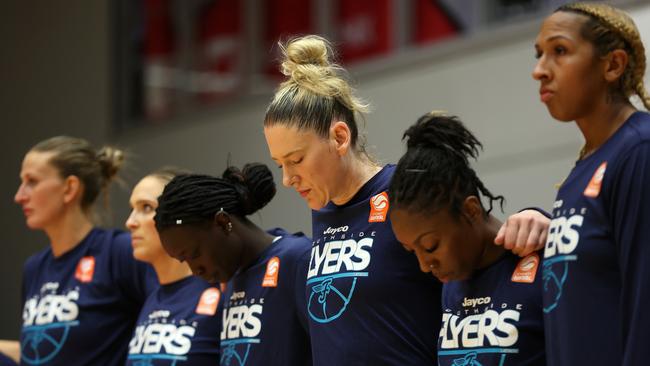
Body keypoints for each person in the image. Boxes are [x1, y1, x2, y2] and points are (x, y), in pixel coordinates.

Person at [263, 34, 550, 364]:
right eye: (279, 164)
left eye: (296, 160)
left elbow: (479, 239)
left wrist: (537, 217)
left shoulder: (404, 191)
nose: (287, 178)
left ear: (339, 138)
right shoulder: (323, 211)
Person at [532, 3, 650, 365]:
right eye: (539, 55)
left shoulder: (639, 151)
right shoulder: (580, 171)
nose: (539, 71)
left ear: (612, 65)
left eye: (560, 51)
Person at [389, 112, 545, 365]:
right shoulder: (451, 284)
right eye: (411, 250)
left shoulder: (541, 261)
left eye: (431, 246)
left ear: (470, 211)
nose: (424, 265)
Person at [13, 136, 157, 366]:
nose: (19, 196)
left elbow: (168, 319)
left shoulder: (118, 252)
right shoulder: (34, 267)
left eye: (32, 182)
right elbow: (37, 353)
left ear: (70, 188)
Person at [154, 163, 312, 366]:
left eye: (194, 255)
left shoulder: (297, 259)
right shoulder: (231, 277)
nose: (196, 271)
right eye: (184, 261)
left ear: (222, 223)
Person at [125, 168, 222, 365]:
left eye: (146, 207)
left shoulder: (220, 289)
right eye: (132, 209)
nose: (130, 222)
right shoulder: (152, 298)